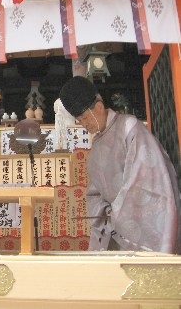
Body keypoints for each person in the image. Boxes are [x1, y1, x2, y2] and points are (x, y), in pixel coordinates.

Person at [59, 75, 181, 253]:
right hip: (114, 227)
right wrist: (104, 212)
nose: (83, 124)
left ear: (99, 106)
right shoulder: (97, 144)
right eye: (79, 120)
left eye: (85, 117)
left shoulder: (128, 127)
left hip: (136, 222)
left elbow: (145, 180)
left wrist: (118, 212)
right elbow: (94, 193)